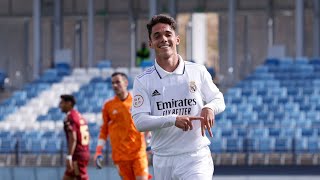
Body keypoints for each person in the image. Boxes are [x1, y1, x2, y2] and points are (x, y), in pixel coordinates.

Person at [131, 14, 226, 180]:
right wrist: (173, 119)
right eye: (157, 36)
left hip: (195, 156)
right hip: (163, 159)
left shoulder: (197, 71)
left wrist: (209, 107)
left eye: (168, 34)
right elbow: (140, 122)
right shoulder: (143, 80)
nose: (163, 39)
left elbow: (219, 99)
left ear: (177, 39)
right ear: (151, 43)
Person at [94, 72, 151, 180]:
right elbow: (104, 130)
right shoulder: (108, 106)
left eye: (118, 82)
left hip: (138, 153)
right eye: (112, 83)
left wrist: (149, 140)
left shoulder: (137, 102)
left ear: (125, 83)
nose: (115, 85)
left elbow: (147, 122)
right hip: (120, 156)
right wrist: (98, 151)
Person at [59, 94, 90, 180]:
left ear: (69, 103)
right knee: (67, 177)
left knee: (82, 178)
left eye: (62, 103)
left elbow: (73, 138)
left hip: (77, 155)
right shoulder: (79, 116)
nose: (59, 105)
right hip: (84, 151)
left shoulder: (70, 117)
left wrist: (69, 156)